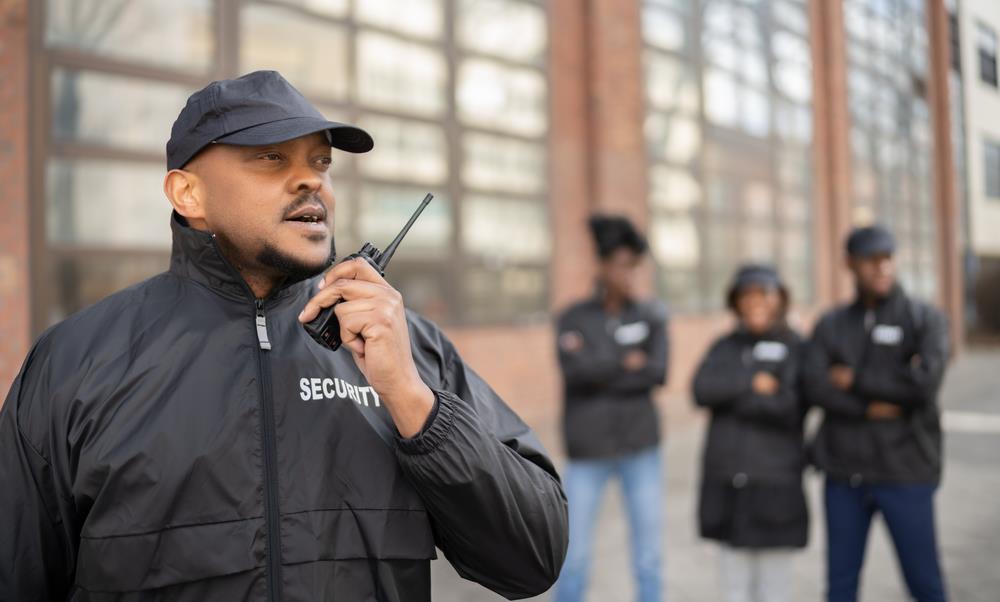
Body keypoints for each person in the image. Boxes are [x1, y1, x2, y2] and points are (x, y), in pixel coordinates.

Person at [0, 70, 568, 601]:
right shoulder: (76, 361)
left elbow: (533, 558)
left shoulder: (405, 349)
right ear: (187, 194)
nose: (311, 179)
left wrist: (414, 403)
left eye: (321, 163)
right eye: (270, 158)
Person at [804, 224, 950, 602]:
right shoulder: (831, 324)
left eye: (887, 259)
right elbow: (815, 386)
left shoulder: (924, 319)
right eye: (871, 260)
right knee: (840, 588)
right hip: (844, 475)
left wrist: (853, 381)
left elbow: (923, 386)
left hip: (906, 472)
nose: (881, 268)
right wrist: (875, 404)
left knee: (925, 584)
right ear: (849, 264)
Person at [553, 215, 669, 602]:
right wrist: (625, 361)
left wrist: (601, 362)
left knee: (649, 555)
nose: (631, 274)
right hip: (588, 450)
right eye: (623, 264)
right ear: (603, 266)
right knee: (574, 555)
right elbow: (576, 372)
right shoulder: (572, 317)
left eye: (636, 265)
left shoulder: (651, 315)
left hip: (641, 447)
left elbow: (658, 372)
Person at [692, 264, 808, 602]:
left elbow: (789, 406)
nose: (756, 302)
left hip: (776, 488)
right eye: (748, 295)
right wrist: (752, 383)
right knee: (733, 589)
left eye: (764, 294)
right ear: (736, 301)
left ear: (780, 299)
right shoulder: (723, 346)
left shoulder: (796, 347)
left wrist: (731, 396)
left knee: (774, 590)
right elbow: (701, 390)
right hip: (728, 487)